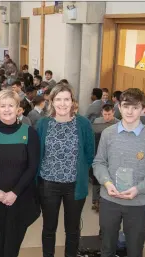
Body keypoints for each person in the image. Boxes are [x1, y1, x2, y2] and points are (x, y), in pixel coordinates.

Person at [0, 90, 40, 257]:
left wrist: (15, 192)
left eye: (11, 105)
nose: (6, 109)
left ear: (18, 108)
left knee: (12, 245)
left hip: (19, 198)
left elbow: (32, 167)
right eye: (2, 106)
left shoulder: (29, 133)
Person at [36, 83, 95, 257]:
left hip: (75, 185)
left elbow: (89, 153)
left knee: (72, 228)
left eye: (66, 99)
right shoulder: (43, 124)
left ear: (72, 101)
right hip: (48, 184)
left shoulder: (83, 124)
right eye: (58, 99)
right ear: (52, 102)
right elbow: (37, 152)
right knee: (49, 227)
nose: (62, 104)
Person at [93, 88, 145, 257]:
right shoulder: (108, 133)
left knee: (134, 250)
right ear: (119, 106)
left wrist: (138, 189)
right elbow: (99, 163)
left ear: (143, 109)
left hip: (139, 204)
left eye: (135, 107)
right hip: (109, 201)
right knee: (106, 249)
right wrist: (107, 182)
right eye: (126, 106)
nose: (130, 111)